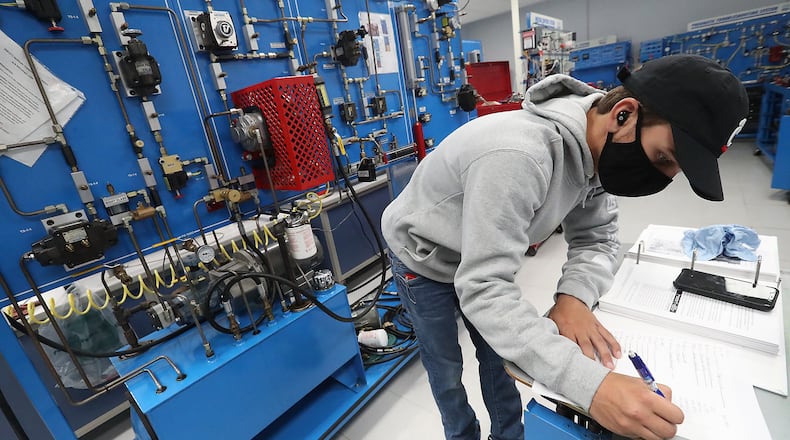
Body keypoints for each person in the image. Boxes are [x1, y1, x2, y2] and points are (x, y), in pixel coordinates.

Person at [380, 54, 748, 440]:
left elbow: (598, 238)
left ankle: (506, 435)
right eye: (661, 157)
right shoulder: (521, 156)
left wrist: (573, 297)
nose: (657, 176)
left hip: (480, 254)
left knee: (500, 356)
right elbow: (485, 288)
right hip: (423, 255)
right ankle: (462, 434)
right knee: (445, 368)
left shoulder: (600, 149)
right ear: (624, 114)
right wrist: (593, 386)